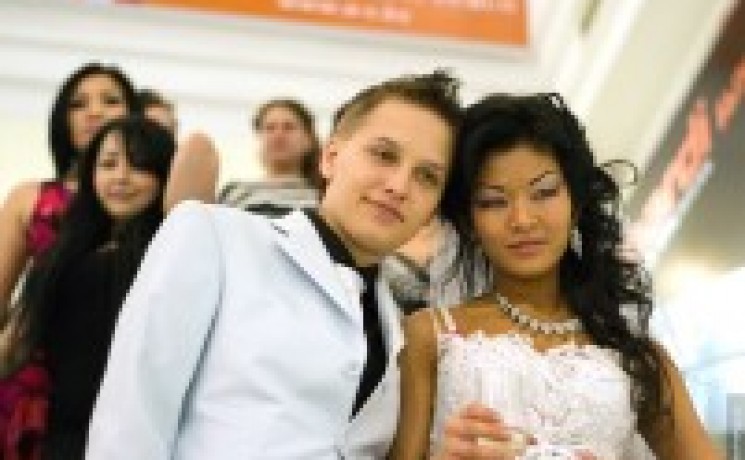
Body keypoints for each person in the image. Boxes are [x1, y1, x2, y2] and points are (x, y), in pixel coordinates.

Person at [84, 70, 461, 459]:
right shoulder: (214, 237)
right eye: (383, 155)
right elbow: (131, 418)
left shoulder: (400, 321)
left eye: (427, 176)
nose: (399, 186)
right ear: (330, 158)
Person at [391, 93, 722, 459]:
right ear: (470, 223)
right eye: (494, 201)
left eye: (544, 193)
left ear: (575, 205)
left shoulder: (637, 358)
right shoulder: (428, 336)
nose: (522, 220)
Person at [5, 116, 175, 459]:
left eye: (139, 165)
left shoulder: (170, 250)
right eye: (108, 164)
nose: (121, 177)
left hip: (145, 436)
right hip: (65, 432)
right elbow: (16, 341)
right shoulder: (61, 253)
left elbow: (201, 153)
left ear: (163, 174)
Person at [0, 62, 138, 455]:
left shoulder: (150, 197)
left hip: (125, 380)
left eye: (110, 100)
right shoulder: (31, 198)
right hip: (37, 386)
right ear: (62, 120)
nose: (95, 111)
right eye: (79, 104)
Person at [218, 98, 320, 215]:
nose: (278, 135)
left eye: (289, 127)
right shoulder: (232, 192)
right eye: (270, 128)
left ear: (308, 139)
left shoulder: (324, 197)